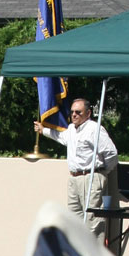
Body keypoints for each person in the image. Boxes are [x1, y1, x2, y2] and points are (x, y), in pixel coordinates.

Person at [33, 98, 118, 240]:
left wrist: (102, 171)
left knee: (92, 222)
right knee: (74, 221)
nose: (74, 115)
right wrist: (43, 130)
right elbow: (61, 137)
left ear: (88, 113)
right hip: (74, 179)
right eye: (72, 112)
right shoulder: (72, 129)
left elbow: (111, 153)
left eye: (78, 112)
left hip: (91, 178)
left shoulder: (94, 129)